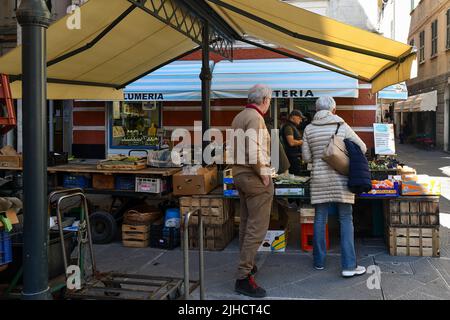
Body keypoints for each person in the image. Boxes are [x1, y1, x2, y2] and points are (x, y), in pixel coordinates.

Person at [302, 96, 368, 278]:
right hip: (341, 179)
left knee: (320, 219)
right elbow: (362, 147)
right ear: (333, 109)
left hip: (319, 179)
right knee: (346, 219)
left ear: (317, 110)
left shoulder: (308, 129)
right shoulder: (342, 126)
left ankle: (318, 261)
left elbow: (307, 157)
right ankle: (348, 266)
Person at [230, 84, 274, 298]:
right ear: (264, 100)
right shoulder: (256, 118)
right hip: (253, 176)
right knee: (257, 227)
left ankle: (247, 266)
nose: (269, 104)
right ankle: (243, 276)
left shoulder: (239, 116)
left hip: (239, 174)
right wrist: (264, 173)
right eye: (270, 100)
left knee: (247, 224)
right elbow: (253, 148)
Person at [280, 110, 306, 176]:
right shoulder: (288, 127)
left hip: (293, 157)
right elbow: (291, 142)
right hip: (292, 158)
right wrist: (303, 141)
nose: (301, 120)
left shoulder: (292, 126)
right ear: (293, 117)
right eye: (299, 118)